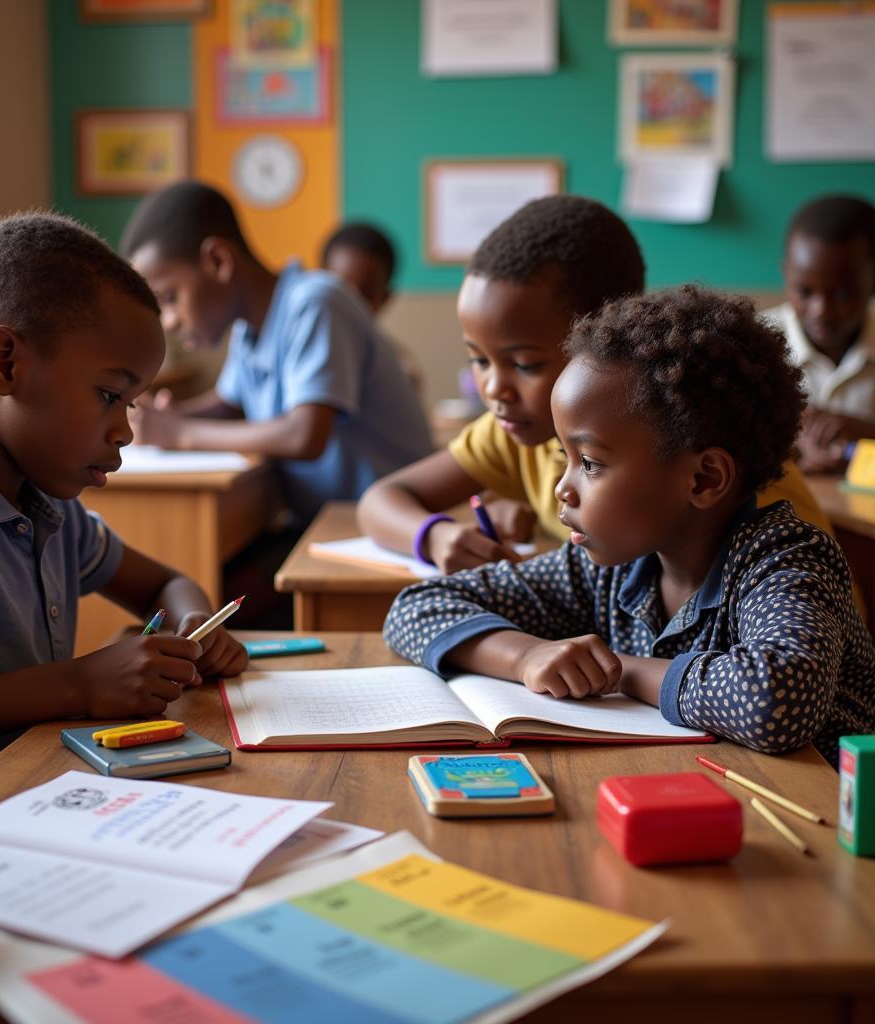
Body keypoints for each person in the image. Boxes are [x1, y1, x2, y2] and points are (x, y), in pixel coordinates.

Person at [0, 213, 247, 849]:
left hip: (23, 811)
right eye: (109, 396)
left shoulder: (48, 509)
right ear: (5, 364)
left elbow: (167, 583)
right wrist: (79, 683)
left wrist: (191, 630)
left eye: (133, 405)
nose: (125, 430)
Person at [384, 286, 875, 764]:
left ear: (704, 478)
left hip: (830, 829)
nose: (563, 488)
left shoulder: (786, 561)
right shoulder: (615, 568)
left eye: (591, 463)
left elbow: (774, 701)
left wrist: (622, 673)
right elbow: (416, 608)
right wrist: (525, 658)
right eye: (564, 457)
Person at [358, 195, 835, 574]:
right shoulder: (514, 430)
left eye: (524, 364)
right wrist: (438, 536)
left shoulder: (729, 483)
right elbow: (381, 501)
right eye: (478, 360)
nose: (494, 389)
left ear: (607, 341)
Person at [118, 182, 434, 527]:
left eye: (170, 298)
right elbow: (229, 405)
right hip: (328, 521)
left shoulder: (315, 302)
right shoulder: (249, 328)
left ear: (218, 261)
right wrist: (164, 418)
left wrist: (178, 432)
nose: (169, 321)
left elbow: (304, 435)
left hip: (392, 525)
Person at [763, 194, 875, 474]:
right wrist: (792, 450)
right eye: (805, 292)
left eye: (841, 294)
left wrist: (866, 431)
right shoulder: (754, 344)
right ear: (786, 274)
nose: (821, 311)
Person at [320, 221, 424, 394]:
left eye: (365, 293)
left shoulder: (401, 369)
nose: (350, 304)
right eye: (340, 290)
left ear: (385, 299)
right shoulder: (302, 354)